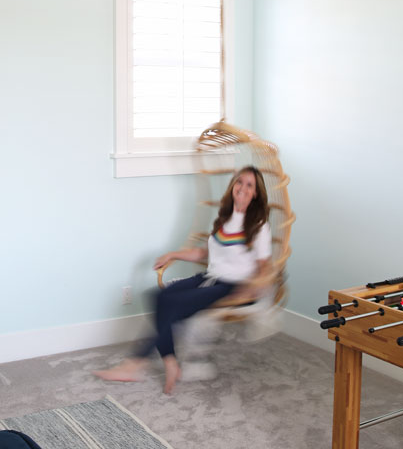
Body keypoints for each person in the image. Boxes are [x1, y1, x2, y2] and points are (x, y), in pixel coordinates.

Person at [94, 166, 272, 394]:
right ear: (233, 186)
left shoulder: (259, 226)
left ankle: (135, 364)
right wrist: (173, 254)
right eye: (240, 182)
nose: (243, 188)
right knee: (157, 296)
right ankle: (170, 362)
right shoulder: (225, 219)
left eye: (250, 185)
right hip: (210, 278)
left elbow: (263, 269)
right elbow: (204, 253)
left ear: (256, 193)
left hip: (232, 287)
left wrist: (249, 290)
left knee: (172, 304)